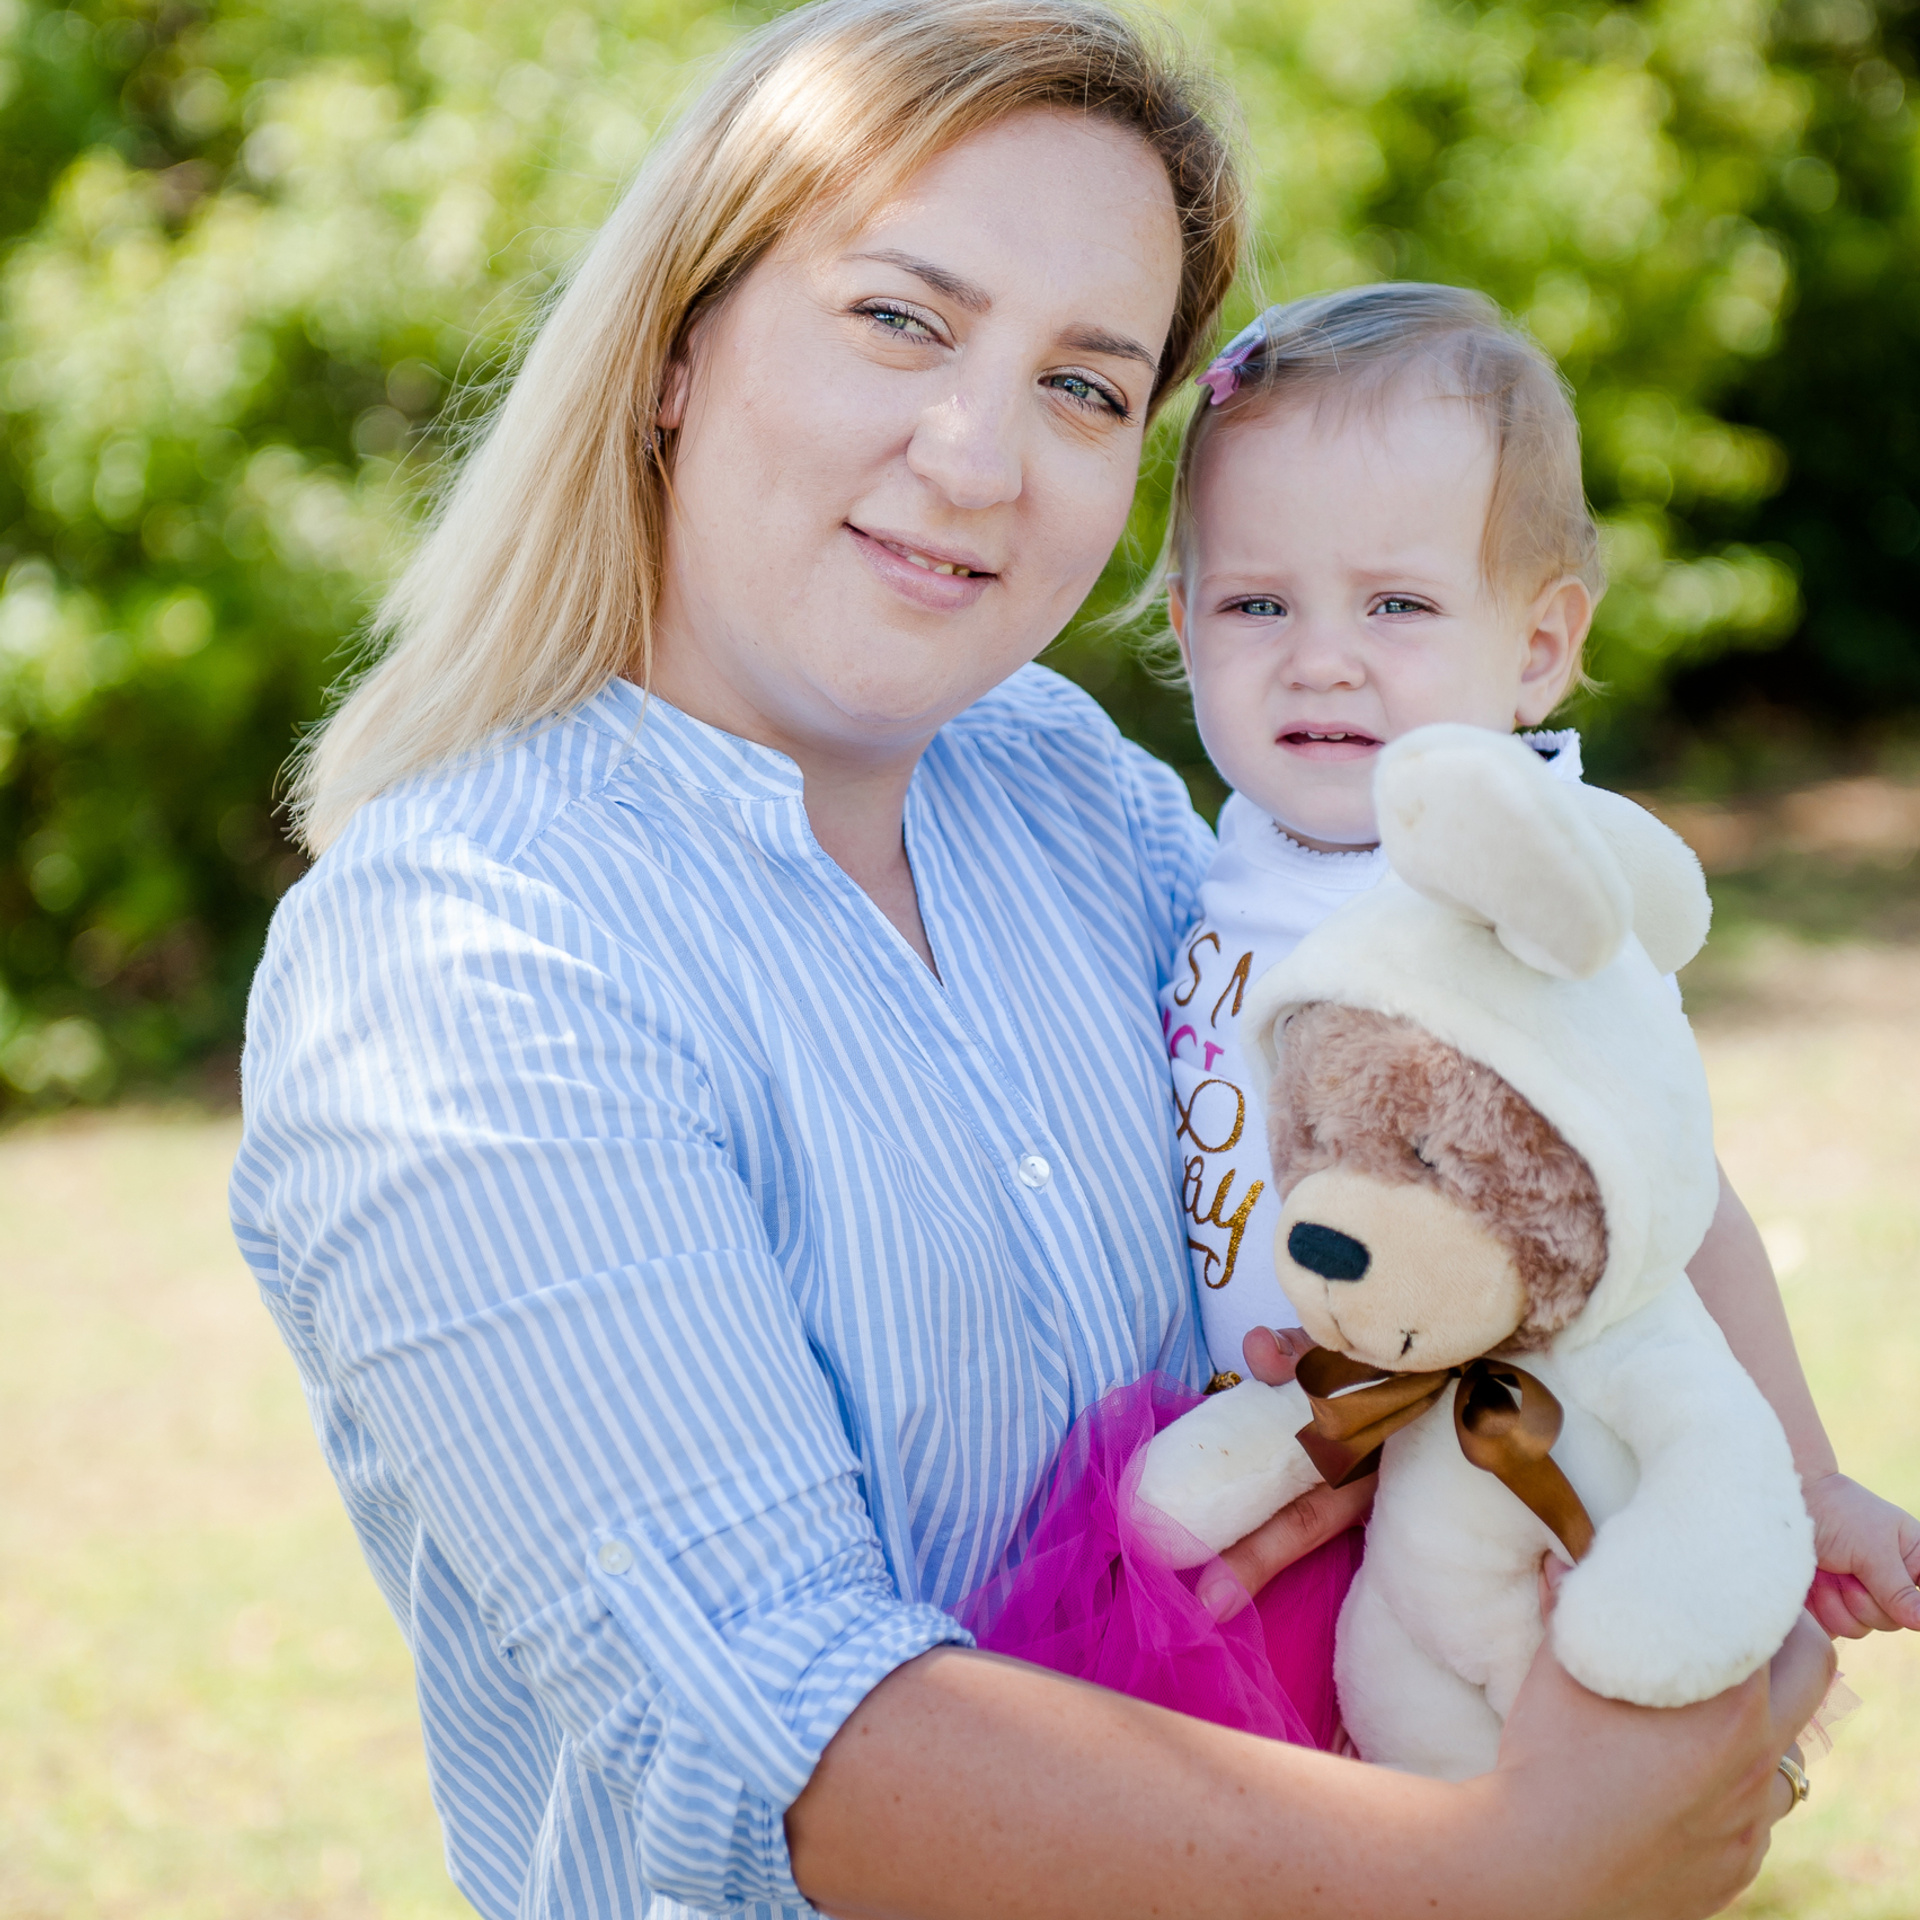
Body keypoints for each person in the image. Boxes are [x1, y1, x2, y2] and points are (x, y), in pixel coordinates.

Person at [229, 5, 1834, 1918]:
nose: (979, 454)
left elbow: (1485, 1147)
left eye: (1085, 387)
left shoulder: (1073, 793)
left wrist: (1689, 1572)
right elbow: (794, 1739)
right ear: (676, 349)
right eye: (902, 319)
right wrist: (1512, 1864)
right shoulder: (463, 953)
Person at [961, 282, 1920, 1742]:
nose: (1321, 656)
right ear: (1182, 625)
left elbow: (1680, 1201)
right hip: (1295, 1455)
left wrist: (1806, 1481)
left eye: (1396, 604)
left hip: (1501, 1488)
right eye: (1256, 604)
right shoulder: (1227, 847)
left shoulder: (1520, 888)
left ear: (1538, 647)